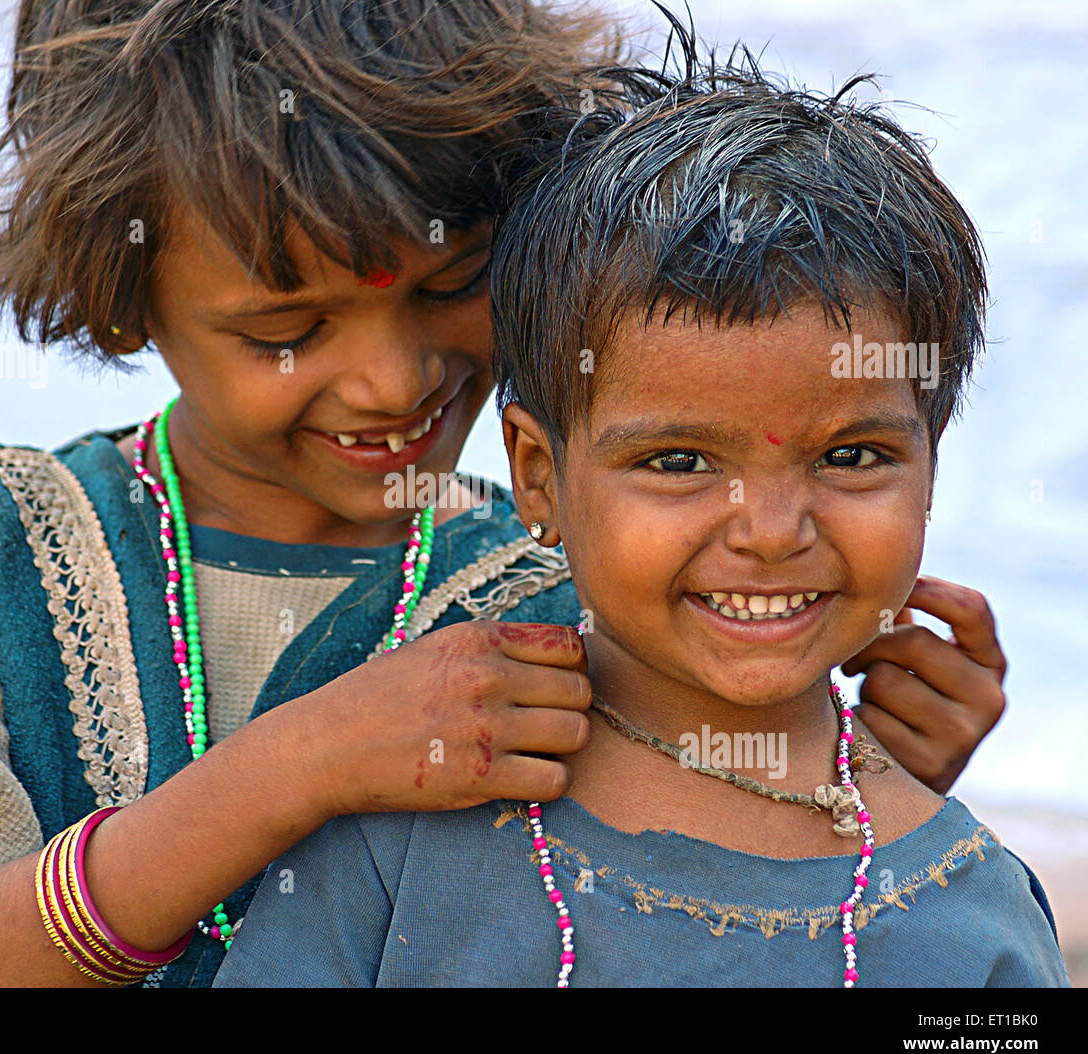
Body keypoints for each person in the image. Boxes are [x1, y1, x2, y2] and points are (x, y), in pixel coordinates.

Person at [0, 2, 1008, 989]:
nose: (393, 380)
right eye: (285, 325)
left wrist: (852, 778)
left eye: (452, 284)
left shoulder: (576, 586)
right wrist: (299, 765)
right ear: (119, 292)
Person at [212, 43, 1067, 988]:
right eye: (678, 462)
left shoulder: (967, 916)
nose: (772, 530)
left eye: (852, 457)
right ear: (537, 478)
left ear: (933, 467)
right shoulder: (400, 834)